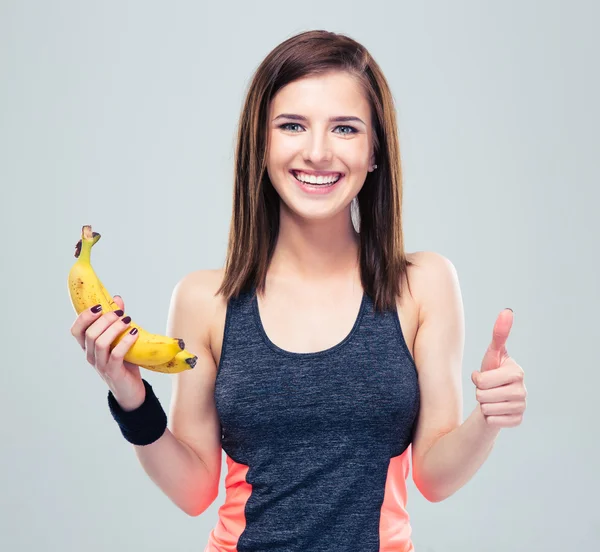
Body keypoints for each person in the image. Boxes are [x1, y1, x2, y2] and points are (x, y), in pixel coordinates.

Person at [70, 29, 527, 552]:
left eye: (345, 129)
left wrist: (488, 419)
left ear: (374, 151)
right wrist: (130, 396)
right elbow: (195, 490)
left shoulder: (422, 284)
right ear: (261, 147)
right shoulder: (205, 300)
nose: (316, 152)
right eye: (291, 126)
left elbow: (435, 477)